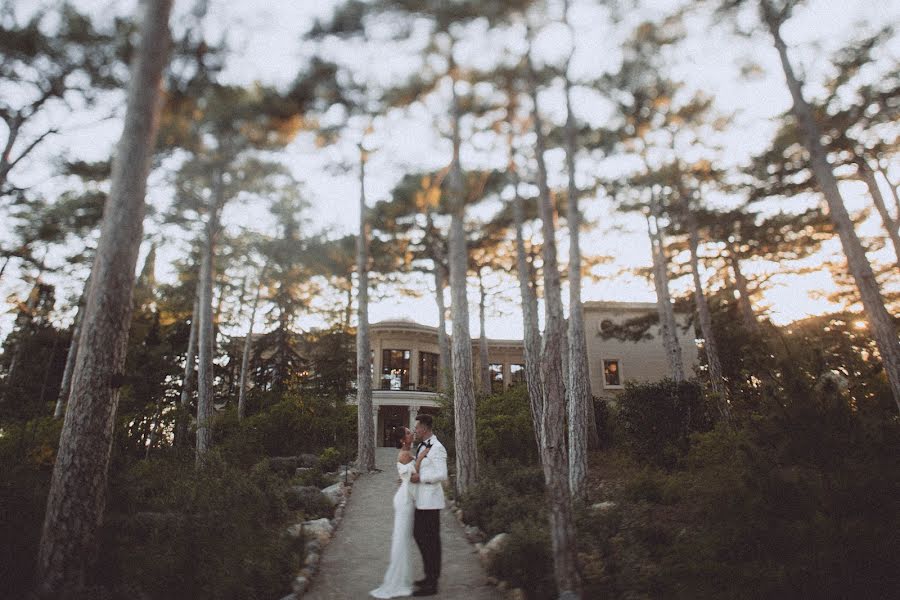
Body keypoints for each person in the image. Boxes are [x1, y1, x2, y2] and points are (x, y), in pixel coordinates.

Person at [370, 426, 417, 599]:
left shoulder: (408, 453)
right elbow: (413, 476)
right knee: (401, 540)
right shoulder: (405, 454)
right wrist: (423, 457)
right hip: (405, 500)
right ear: (402, 440)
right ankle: (397, 581)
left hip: (405, 495)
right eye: (407, 432)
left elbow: (404, 475)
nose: (411, 433)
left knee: (403, 539)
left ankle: (402, 578)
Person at [409, 414, 447, 597]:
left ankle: (432, 582)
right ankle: (429, 574)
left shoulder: (437, 448)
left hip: (431, 502)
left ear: (424, 428)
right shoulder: (423, 447)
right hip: (421, 501)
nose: (415, 430)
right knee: (419, 535)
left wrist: (420, 478)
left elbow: (442, 474)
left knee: (431, 541)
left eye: (417, 427)